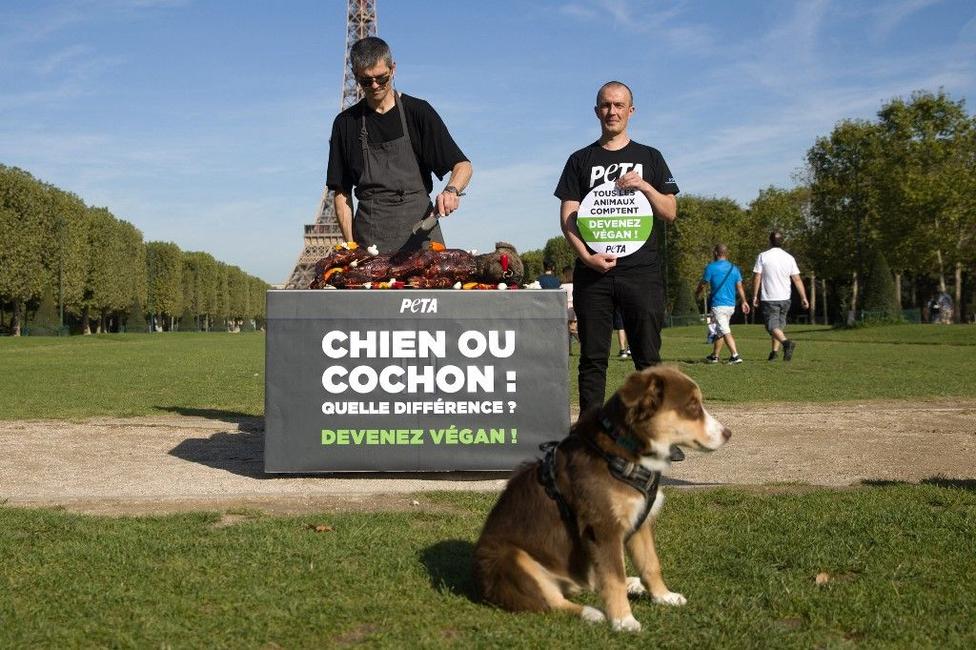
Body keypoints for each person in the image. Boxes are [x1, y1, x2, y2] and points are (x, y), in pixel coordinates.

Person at [554, 80, 679, 411]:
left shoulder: (650, 157)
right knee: (593, 359)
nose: (612, 111)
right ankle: (591, 434)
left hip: (642, 273)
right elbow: (568, 216)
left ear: (631, 111)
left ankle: (657, 432)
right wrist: (586, 256)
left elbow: (669, 212)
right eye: (606, 105)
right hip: (593, 274)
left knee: (648, 358)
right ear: (597, 111)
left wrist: (645, 187)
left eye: (619, 105)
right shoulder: (580, 160)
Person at [326, 37, 472, 253]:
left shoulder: (419, 112)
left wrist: (452, 190)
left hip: (422, 237)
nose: (375, 86)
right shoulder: (345, 124)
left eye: (381, 78)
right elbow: (341, 192)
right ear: (356, 76)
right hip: (370, 241)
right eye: (366, 81)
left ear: (393, 69)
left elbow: (463, 166)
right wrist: (350, 245)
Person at [751, 230, 809, 361]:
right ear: (782, 241)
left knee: (771, 327)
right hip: (785, 299)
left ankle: (786, 343)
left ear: (770, 241)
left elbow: (757, 277)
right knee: (778, 327)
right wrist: (803, 297)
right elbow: (797, 279)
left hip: (770, 298)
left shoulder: (763, 256)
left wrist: (755, 295)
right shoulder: (789, 258)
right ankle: (774, 353)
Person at [696, 243, 750, 363]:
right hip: (731, 305)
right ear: (726, 253)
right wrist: (744, 302)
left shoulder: (711, 267)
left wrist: (697, 293)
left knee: (725, 330)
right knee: (720, 331)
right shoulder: (734, 268)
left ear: (716, 253)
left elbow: (703, 283)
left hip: (719, 304)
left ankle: (735, 355)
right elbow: (740, 287)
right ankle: (714, 356)